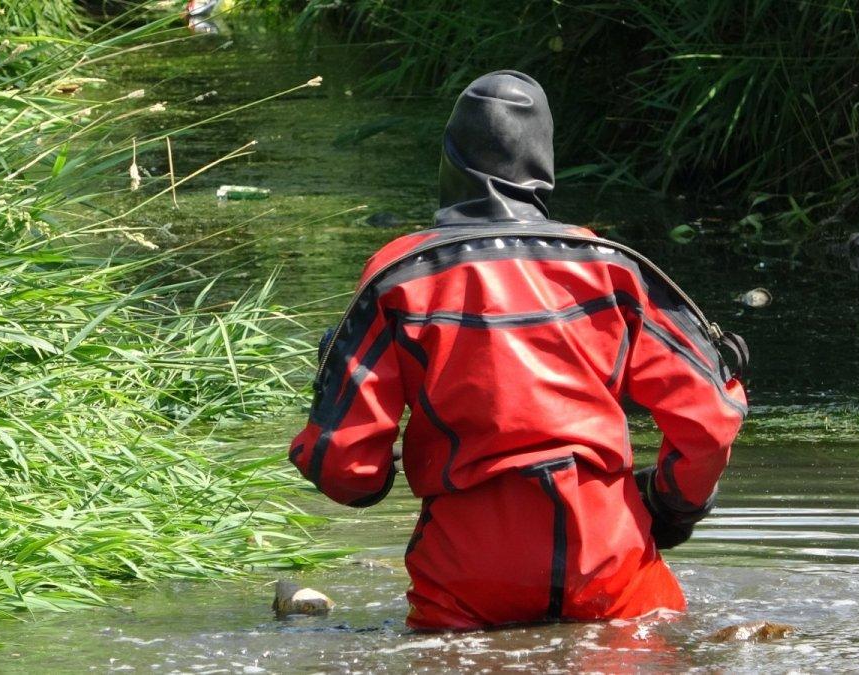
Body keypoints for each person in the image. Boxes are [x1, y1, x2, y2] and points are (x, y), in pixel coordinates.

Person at [289, 70, 748, 631]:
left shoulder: (397, 277)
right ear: (543, 166)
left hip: (466, 572)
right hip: (609, 556)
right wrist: (671, 506)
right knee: (650, 640)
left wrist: (358, 447)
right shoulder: (612, 268)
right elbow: (710, 421)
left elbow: (346, 467)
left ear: (449, 164)